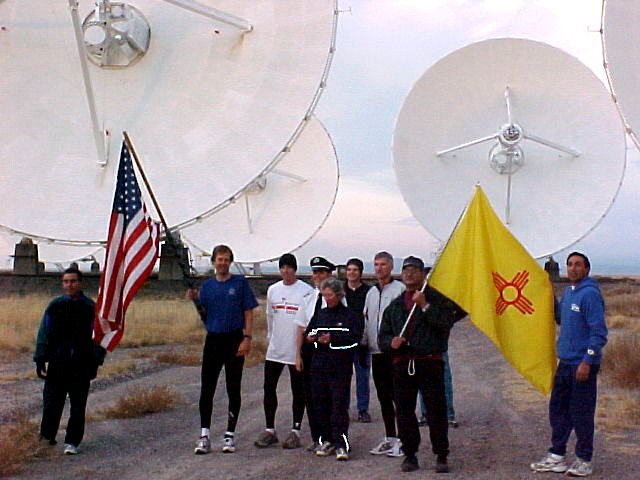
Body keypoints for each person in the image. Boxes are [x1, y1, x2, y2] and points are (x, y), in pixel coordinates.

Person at [378, 256, 464, 474]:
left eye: (414, 270)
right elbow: (383, 337)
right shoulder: (395, 306)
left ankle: (441, 454)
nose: (409, 274)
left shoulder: (437, 300)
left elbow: (446, 322)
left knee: (436, 411)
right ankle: (410, 454)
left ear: (423, 274)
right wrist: (391, 343)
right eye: (405, 270)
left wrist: (425, 306)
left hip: (429, 362)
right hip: (402, 364)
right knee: (404, 411)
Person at [531, 252, 607, 477]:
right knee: (558, 410)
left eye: (578, 265)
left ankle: (584, 459)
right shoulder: (569, 292)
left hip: (582, 365)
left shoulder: (590, 294)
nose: (573, 268)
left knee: (581, 413)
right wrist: (547, 291)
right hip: (564, 363)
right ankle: (557, 455)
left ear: (586, 269)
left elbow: (599, 333)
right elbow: (560, 318)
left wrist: (587, 361)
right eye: (570, 264)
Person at [188, 244, 258, 455]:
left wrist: (247, 338)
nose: (223, 263)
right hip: (213, 340)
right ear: (214, 261)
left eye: (226, 259)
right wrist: (194, 300)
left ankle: (229, 435)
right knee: (207, 388)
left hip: (234, 339)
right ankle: (204, 435)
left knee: (233, 388)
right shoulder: (207, 286)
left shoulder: (240, 283)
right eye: (220, 259)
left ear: (230, 262)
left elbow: (248, 312)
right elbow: (204, 314)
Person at [34, 267, 106, 455]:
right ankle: (47, 438)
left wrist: (96, 361)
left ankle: (72, 441)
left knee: (77, 405)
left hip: (81, 364)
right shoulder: (55, 306)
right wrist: (40, 358)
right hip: (58, 363)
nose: (69, 285)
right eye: (66, 281)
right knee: (51, 403)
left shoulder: (91, 308)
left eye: (73, 281)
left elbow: (100, 338)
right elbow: (44, 332)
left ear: (80, 283)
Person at [254, 253, 314, 450]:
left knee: (298, 390)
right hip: (276, 349)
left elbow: (307, 322)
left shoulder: (306, 291)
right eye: (283, 267)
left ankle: (296, 430)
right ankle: (270, 429)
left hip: (295, 349)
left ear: (295, 269)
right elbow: (270, 317)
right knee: (269, 388)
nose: (286, 271)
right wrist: (270, 339)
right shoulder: (273, 290)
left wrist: (303, 349)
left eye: (289, 267)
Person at [304, 277, 362, 461]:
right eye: (324, 296)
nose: (327, 299)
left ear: (338, 295)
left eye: (330, 295)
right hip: (318, 367)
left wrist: (333, 340)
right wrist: (313, 338)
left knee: (339, 406)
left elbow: (355, 340)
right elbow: (309, 333)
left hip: (340, 368)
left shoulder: (349, 316)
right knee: (321, 404)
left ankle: (341, 443)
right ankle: (326, 439)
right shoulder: (320, 314)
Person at [363, 251, 406, 457]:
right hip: (376, 352)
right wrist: (364, 343)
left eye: (383, 265)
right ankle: (390, 437)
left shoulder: (400, 290)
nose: (379, 268)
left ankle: (404, 439)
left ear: (391, 267)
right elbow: (367, 320)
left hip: (394, 353)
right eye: (376, 265)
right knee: (384, 397)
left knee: (399, 396)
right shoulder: (371, 293)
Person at [295, 256, 337, 453]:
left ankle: (331, 437)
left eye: (321, 272)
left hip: (328, 351)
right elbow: (301, 328)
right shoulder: (308, 298)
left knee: (328, 396)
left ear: (329, 274)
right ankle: (317, 437)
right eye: (315, 272)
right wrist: (297, 354)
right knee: (311, 396)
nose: (317, 276)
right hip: (310, 350)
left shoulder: (337, 299)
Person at [343, 257, 372, 423]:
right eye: (349, 269)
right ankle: (343, 408)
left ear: (360, 272)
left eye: (355, 270)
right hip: (343, 341)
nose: (351, 273)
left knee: (362, 377)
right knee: (343, 378)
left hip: (362, 341)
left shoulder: (369, 292)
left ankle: (363, 409)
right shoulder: (340, 291)